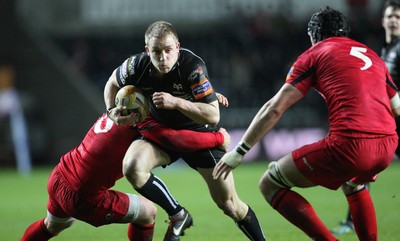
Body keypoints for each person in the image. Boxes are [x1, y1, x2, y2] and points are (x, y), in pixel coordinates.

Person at [213, 6, 400, 241]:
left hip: (351, 145)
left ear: (314, 35)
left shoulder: (316, 53)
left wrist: (239, 151)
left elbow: (275, 108)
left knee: (270, 184)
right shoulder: (372, 55)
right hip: (387, 144)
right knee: (353, 183)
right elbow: (397, 107)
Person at [105, 21, 266, 241]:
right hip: (161, 135)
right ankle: (178, 214)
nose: (163, 57)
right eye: (156, 51)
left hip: (198, 137)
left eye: (168, 50)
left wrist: (176, 102)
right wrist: (111, 110)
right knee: (132, 167)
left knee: (230, 206)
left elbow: (213, 115)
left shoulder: (192, 67)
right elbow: (112, 83)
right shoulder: (136, 66)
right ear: (147, 51)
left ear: (178, 47)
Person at [20, 111, 231, 241]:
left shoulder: (115, 107)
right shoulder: (141, 120)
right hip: (82, 197)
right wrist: (218, 137)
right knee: (148, 212)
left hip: (60, 175)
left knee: (53, 225)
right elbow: (175, 139)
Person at [330, 0, 400, 235]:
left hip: (395, 120)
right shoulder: (385, 50)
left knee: (361, 166)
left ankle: (352, 220)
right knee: (361, 167)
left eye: (398, 17)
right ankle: (352, 220)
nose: (393, 20)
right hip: (388, 122)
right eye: (390, 16)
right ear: (382, 21)